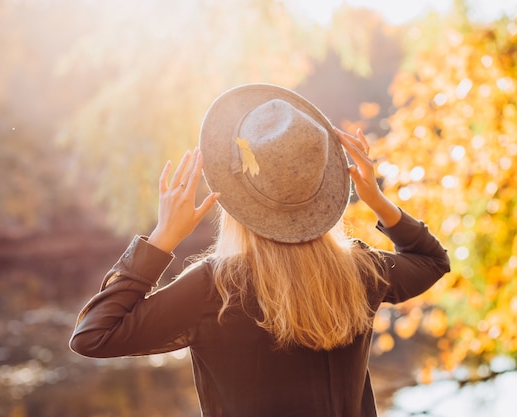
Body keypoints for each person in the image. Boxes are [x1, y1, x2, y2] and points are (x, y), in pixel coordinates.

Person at [69, 84, 450, 417]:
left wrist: (163, 238)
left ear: (235, 199)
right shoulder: (358, 271)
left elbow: (93, 336)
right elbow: (432, 261)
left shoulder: (216, 287)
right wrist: (379, 201)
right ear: (321, 187)